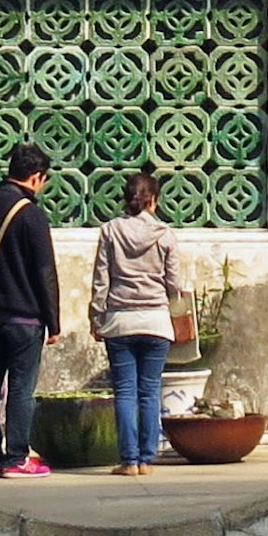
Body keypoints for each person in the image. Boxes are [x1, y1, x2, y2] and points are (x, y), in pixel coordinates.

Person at [0, 142, 62, 478]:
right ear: (35, 177)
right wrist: (54, 321)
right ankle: (17, 457)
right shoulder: (31, 214)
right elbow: (44, 272)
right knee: (21, 387)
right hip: (24, 318)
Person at [91, 171, 183, 477]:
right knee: (149, 391)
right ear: (154, 200)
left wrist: (96, 317)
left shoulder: (110, 231)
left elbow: (101, 280)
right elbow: (174, 283)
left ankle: (128, 461)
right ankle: (146, 460)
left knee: (126, 392)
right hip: (156, 321)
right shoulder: (165, 234)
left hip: (120, 322)